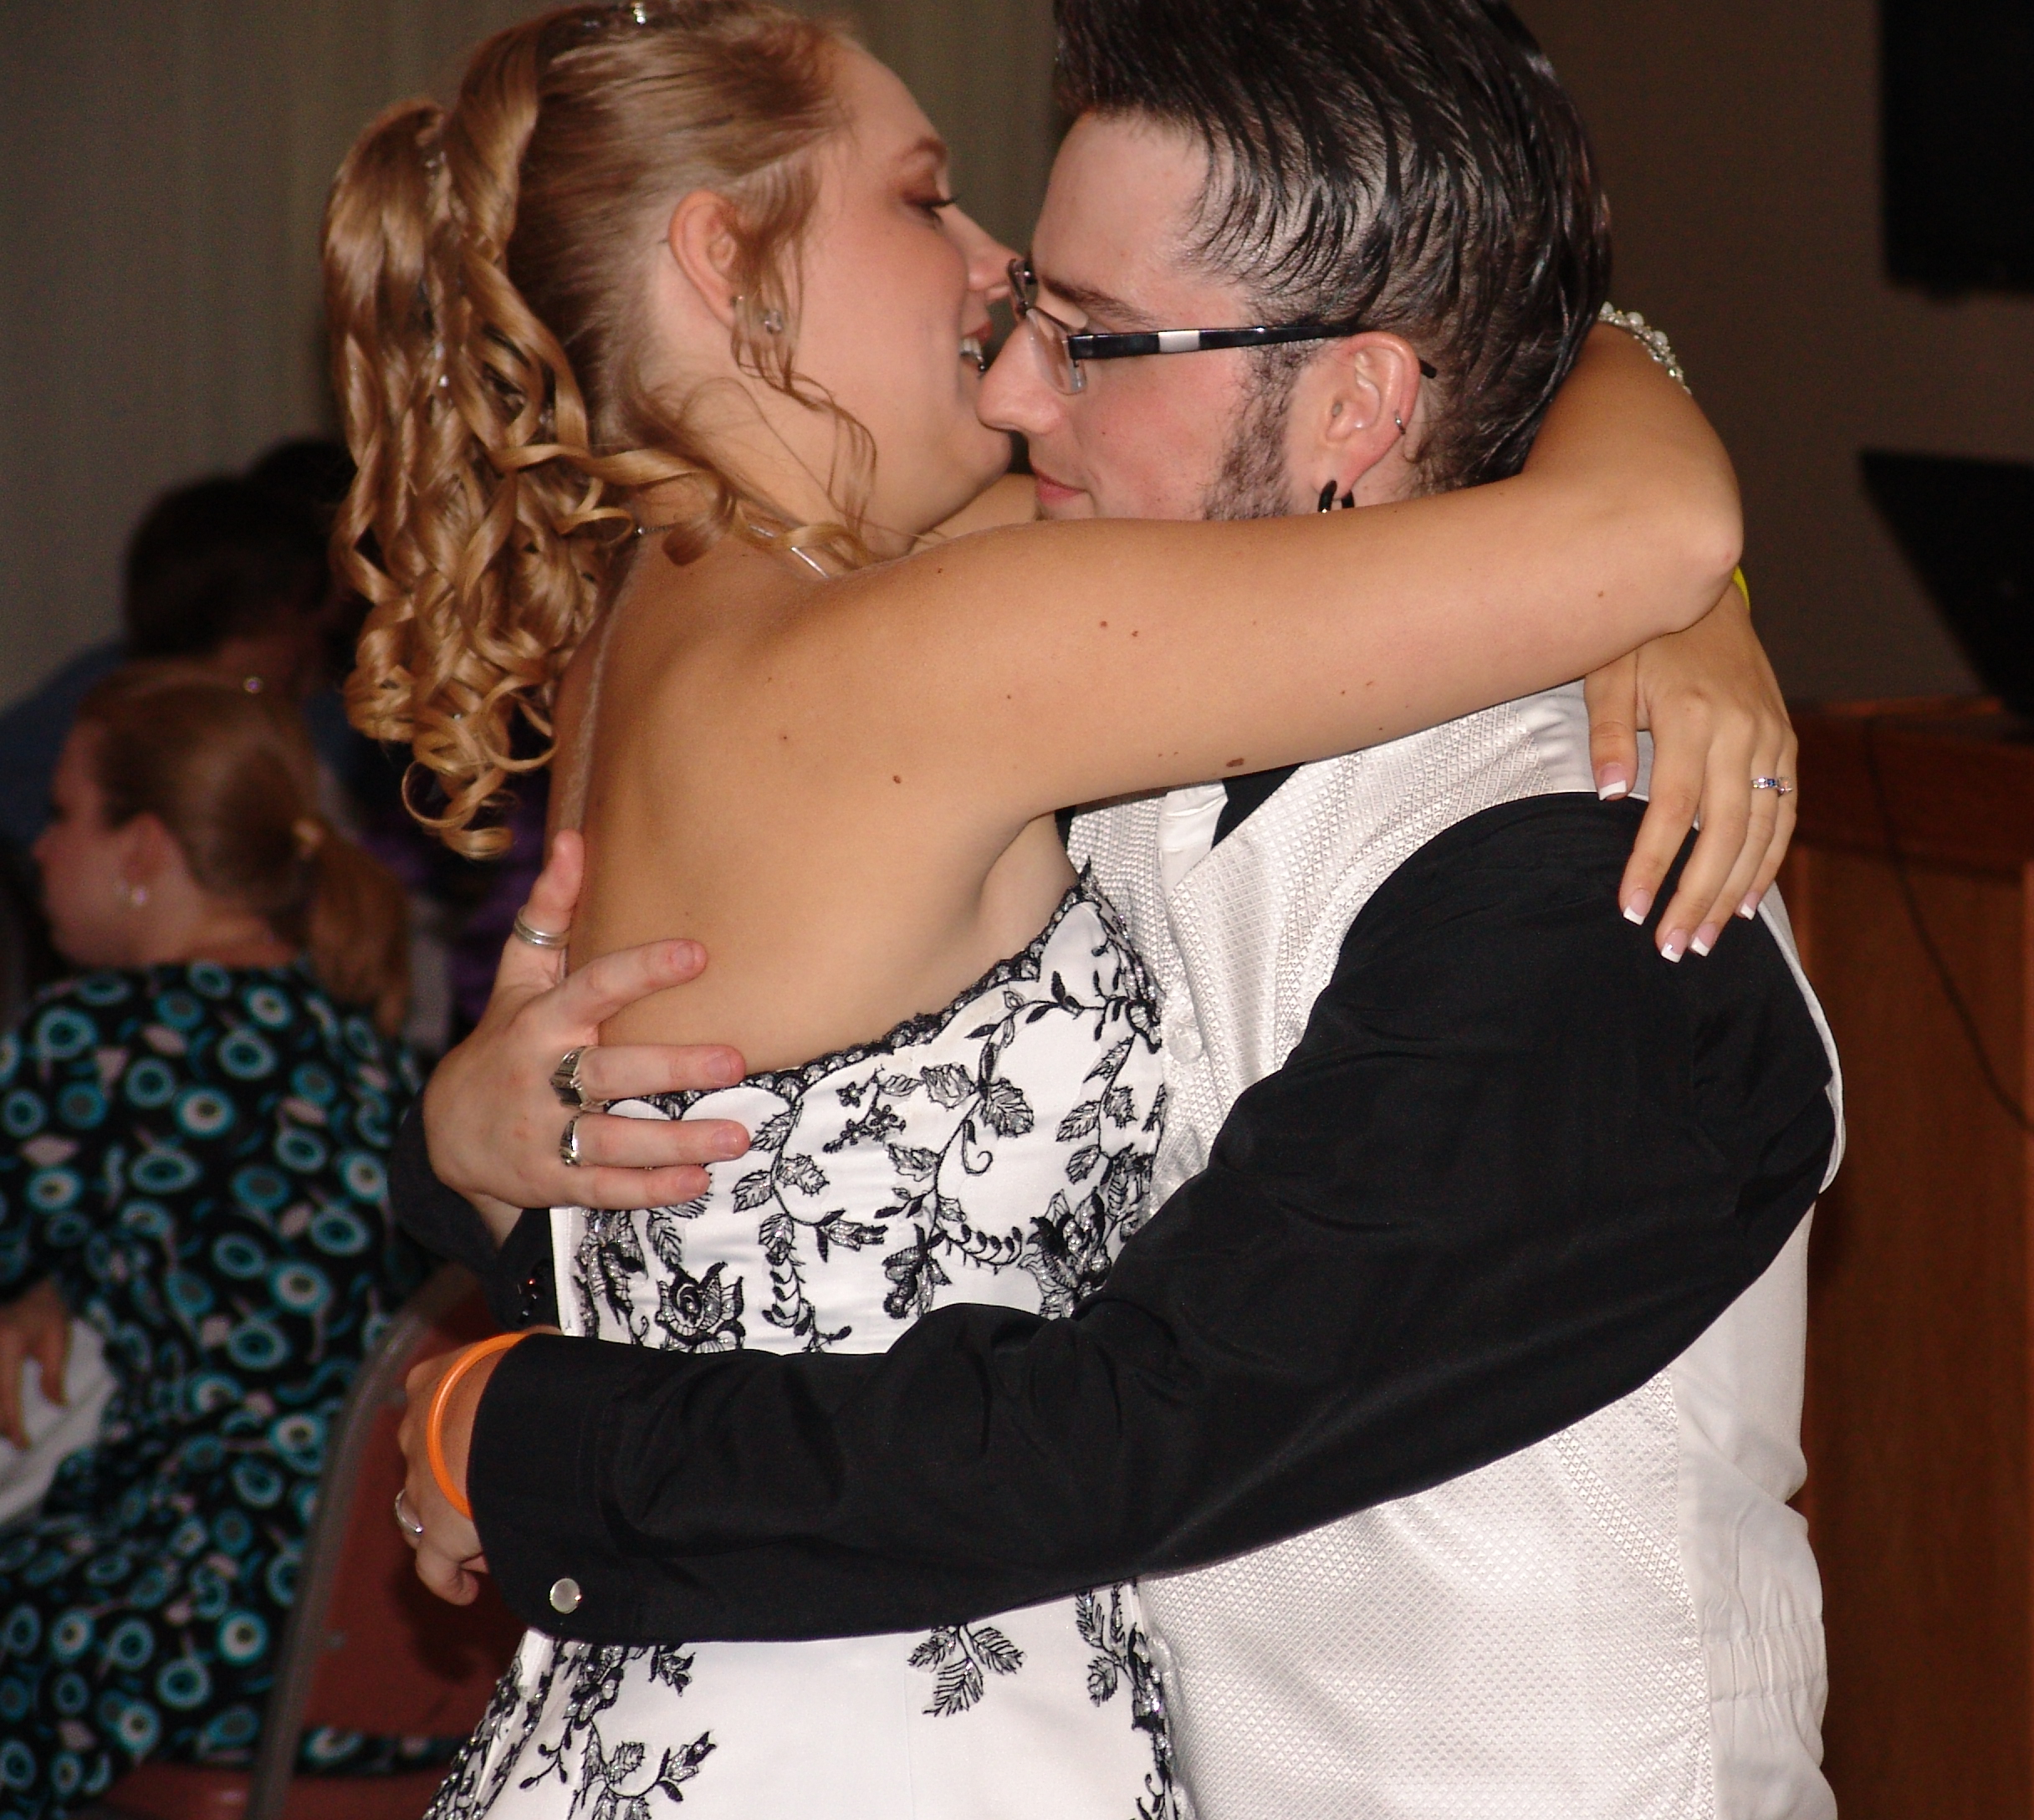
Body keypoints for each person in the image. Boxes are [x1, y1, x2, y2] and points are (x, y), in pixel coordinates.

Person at [322, 3, 1800, 1817]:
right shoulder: (956, 652)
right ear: (725, 260)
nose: (1010, 347)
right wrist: (1677, 571)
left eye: (1089, 333)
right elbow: (1635, 530)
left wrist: (505, 1340)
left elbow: (1098, 1392)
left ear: (1358, 398)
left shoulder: (1568, 866)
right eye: (928, 202)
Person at [0, 666, 431, 1817]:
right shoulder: (379, 1055)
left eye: (64, 815)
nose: (40, 849)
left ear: (144, 849)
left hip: (194, 1618)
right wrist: (49, 1285)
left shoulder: (94, 1042)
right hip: (392, 1633)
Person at [0, 478, 338, 856]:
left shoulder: (306, 712)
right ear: (269, 612)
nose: (311, 645)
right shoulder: (103, 710)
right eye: (305, 615)